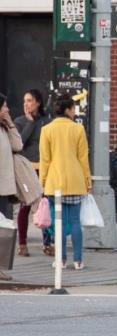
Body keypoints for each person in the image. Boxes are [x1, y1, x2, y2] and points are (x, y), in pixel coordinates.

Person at [39, 94, 91, 270]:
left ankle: (61, 259)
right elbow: (83, 158)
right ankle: (78, 260)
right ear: (67, 110)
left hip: (54, 183)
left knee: (58, 222)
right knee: (75, 221)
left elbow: (45, 160)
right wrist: (87, 181)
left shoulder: (47, 130)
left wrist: (43, 182)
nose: (75, 112)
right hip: (76, 181)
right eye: (73, 109)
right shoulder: (78, 129)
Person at [13, 89, 54, 257]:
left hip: (44, 168)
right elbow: (19, 143)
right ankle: (22, 243)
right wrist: (29, 123)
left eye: (29, 100)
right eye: (24, 101)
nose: (26, 104)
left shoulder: (47, 121)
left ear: (38, 102)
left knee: (44, 206)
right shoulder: (19, 121)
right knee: (25, 206)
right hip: (27, 169)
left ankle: (47, 243)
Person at [0, 93, 23, 281]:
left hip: (5, 189)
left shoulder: (5, 128)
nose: (8, 110)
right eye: (4, 107)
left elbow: (18, 145)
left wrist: (10, 124)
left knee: (5, 229)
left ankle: (0, 267)